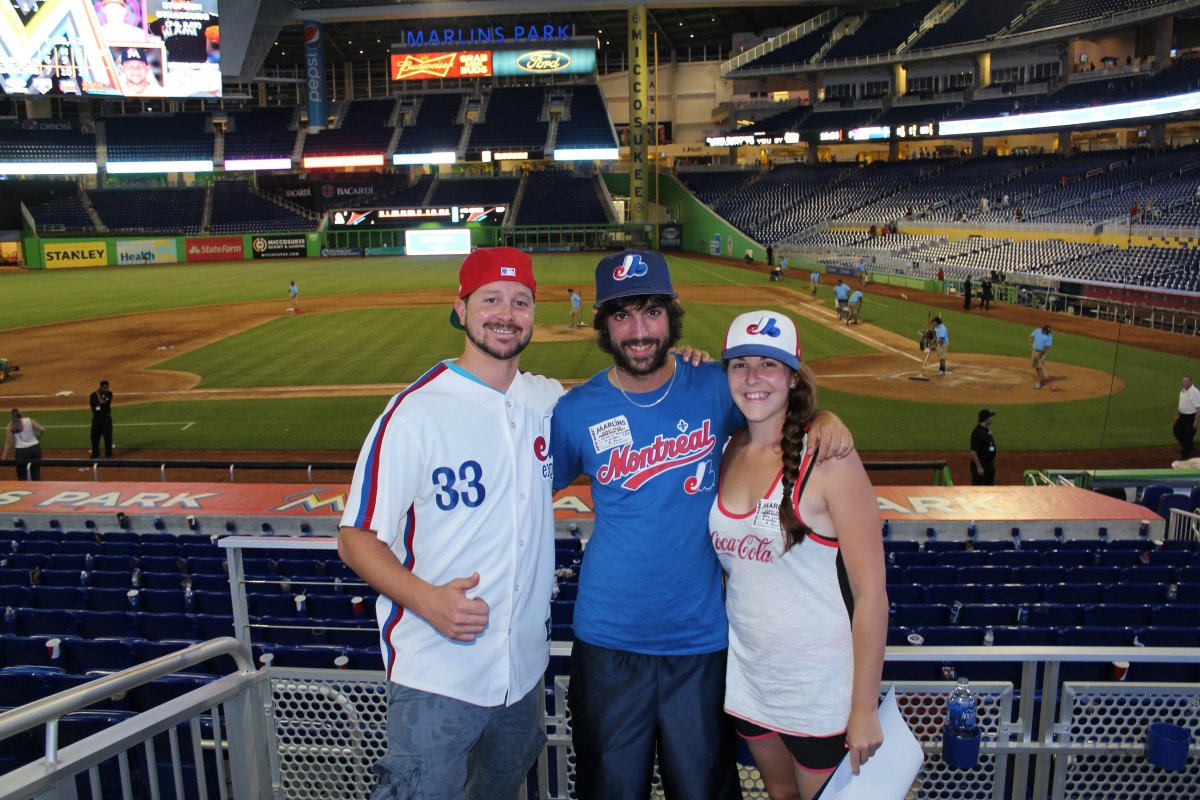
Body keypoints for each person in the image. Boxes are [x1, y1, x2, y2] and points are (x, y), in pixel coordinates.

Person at [549, 250, 854, 800]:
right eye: (621, 315)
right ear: (603, 324)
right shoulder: (576, 411)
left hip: (702, 643)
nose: (639, 330)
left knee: (704, 791)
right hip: (608, 640)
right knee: (611, 790)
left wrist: (824, 418)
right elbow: (525, 493)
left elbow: (779, 405)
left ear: (672, 314)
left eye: (651, 312)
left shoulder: (714, 385)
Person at [338, 247, 560, 800]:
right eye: (490, 299)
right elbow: (356, 536)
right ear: (460, 309)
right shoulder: (414, 412)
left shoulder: (548, 401)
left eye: (520, 301)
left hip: (523, 679)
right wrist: (426, 599)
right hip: (437, 677)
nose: (506, 313)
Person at [712, 310, 886, 800]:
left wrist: (864, 707)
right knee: (780, 796)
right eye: (739, 364)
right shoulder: (727, 449)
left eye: (769, 365)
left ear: (792, 376)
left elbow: (872, 593)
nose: (752, 379)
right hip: (751, 680)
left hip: (821, 692)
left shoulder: (829, 459)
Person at [3, 408, 44, 481]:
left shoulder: (11, 426)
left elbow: (8, 442)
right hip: (35, 448)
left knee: (21, 476)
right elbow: (42, 429)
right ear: (20, 414)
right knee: (36, 474)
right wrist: (37, 437)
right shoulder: (29, 420)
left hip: (21, 452)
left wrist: (4, 456)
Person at [1174, 375, 1200, 460]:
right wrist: (1177, 414)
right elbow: (1180, 404)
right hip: (1182, 416)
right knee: (1176, 431)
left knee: (1187, 436)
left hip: (1190, 417)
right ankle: (1189, 447)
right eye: (1183, 381)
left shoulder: (1195, 392)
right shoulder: (1183, 391)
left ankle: (1185, 455)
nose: (1184, 382)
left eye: (1186, 381)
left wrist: (1196, 421)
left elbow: (1198, 407)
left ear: (1191, 382)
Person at [969, 409, 997, 486]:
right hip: (982, 465)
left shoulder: (986, 429)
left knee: (989, 489)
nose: (991, 418)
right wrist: (979, 467)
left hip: (988, 464)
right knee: (979, 489)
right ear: (986, 419)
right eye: (990, 417)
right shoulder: (977, 432)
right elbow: (973, 451)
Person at [89, 380, 113, 459]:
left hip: (106, 419)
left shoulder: (109, 394)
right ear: (101, 387)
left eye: (107, 388)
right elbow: (92, 407)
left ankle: (108, 454)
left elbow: (103, 402)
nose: (106, 389)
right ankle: (95, 453)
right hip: (96, 420)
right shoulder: (92, 395)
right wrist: (96, 415)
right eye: (105, 388)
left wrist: (97, 393)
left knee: (108, 438)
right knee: (94, 437)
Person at [1029, 324, 1052, 389]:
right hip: (1035, 351)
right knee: (1036, 366)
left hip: (1042, 353)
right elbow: (1031, 336)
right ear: (1043, 329)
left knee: (1040, 367)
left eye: (1048, 332)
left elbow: (1046, 347)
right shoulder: (1037, 331)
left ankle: (1039, 383)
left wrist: (1040, 354)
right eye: (1046, 331)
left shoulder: (1049, 336)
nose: (1047, 333)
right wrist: (1030, 338)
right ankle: (1040, 378)